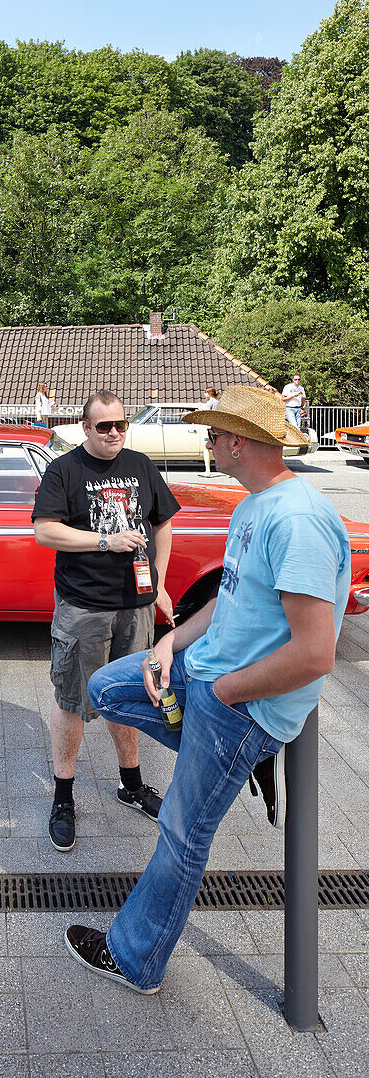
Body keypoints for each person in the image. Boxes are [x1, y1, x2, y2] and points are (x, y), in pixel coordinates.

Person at [63, 385, 350, 994]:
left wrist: (221, 697)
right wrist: (171, 643)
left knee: (181, 830)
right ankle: (211, 756)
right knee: (108, 687)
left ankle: (135, 958)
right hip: (206, 675)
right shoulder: (254, 506)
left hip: (240, 704)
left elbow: (314, 653)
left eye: (213, 436)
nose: (208, 445)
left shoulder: (296, 521)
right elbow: (233, 599)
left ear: (239, 442)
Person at [32, 389, 181, 852]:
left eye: (120, 425)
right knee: (73, 699)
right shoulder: (64, 470)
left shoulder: (140, 465)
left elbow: (163, 523)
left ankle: (131, 784)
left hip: (135, 606)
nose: (114, 433)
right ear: (85, 428)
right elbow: (44, 530)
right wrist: (104, 541)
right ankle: (62, 798)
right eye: (104, 427)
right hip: (83, 607)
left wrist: (158, 581)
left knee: (132, 695)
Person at [197, 387, 220, 478]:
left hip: (210, 428)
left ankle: (208, 471)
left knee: (206, 448)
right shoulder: (218, 402)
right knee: (217, 448)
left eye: (205, 393)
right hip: (218, 428)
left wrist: (200, 407)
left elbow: (205, 413)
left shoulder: (210, 402)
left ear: (209, 394)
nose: (204, 395)